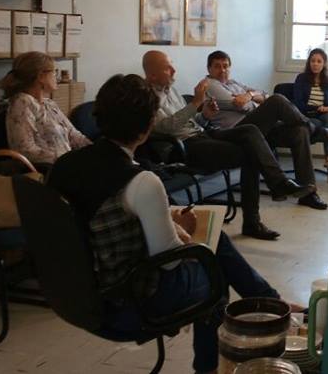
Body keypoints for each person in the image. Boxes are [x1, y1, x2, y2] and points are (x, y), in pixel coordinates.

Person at [48, 73, 284, 374]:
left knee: (215, 240)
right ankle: (212, 364)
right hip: (126, 302)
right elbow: (170, 261)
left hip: (74, 296)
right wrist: (182, 229)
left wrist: (164, 218)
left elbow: (100, 219)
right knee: (213, 272)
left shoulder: (64, 165)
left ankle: (267, 301)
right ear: (148, 126)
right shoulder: (141, 182)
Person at [143, 51, 318, 240]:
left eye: (172, 65)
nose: (174, 70)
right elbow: (165, 128)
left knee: (250, 131)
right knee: (251, 150)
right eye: (167, 68)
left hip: (204, 134)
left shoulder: (171, 89)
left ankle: (275, 189)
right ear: (152, 75)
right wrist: (195, 103)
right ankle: (258, 214)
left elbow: (192, 121)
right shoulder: (146, 97)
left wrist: (204, 115)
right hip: (184, 147)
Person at [203, 50, 328, 210]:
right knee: (277, 100)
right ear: (209, 69)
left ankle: (308, 194)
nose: (223, 70)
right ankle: (314, 129)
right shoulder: (210, 85)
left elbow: (264, 95)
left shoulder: (233, 83)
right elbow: (241, 105)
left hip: (258, 128)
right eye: (217, 66)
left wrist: (250, 95)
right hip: (237, 131)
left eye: (226, 66)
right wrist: (254, 101)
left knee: (300, 132)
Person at [3, 51, 91, 167]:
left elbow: (73, 135)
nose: (57, 77)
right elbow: (26, 150)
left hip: (66, 164)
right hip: (46, 169)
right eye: (54, 72)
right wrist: (67, 160)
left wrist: (94, 150)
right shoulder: (22, 103)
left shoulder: (49, 104)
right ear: (40, 76)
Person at [292, 48, 328, 185]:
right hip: (306, 115)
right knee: (322, 126)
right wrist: (317, 108)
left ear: (324, 63)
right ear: (309, 63)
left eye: (319, 61)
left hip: (324, 114)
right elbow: (298, 103)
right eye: (313, 61)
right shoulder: (301, 78)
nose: (315, 64)